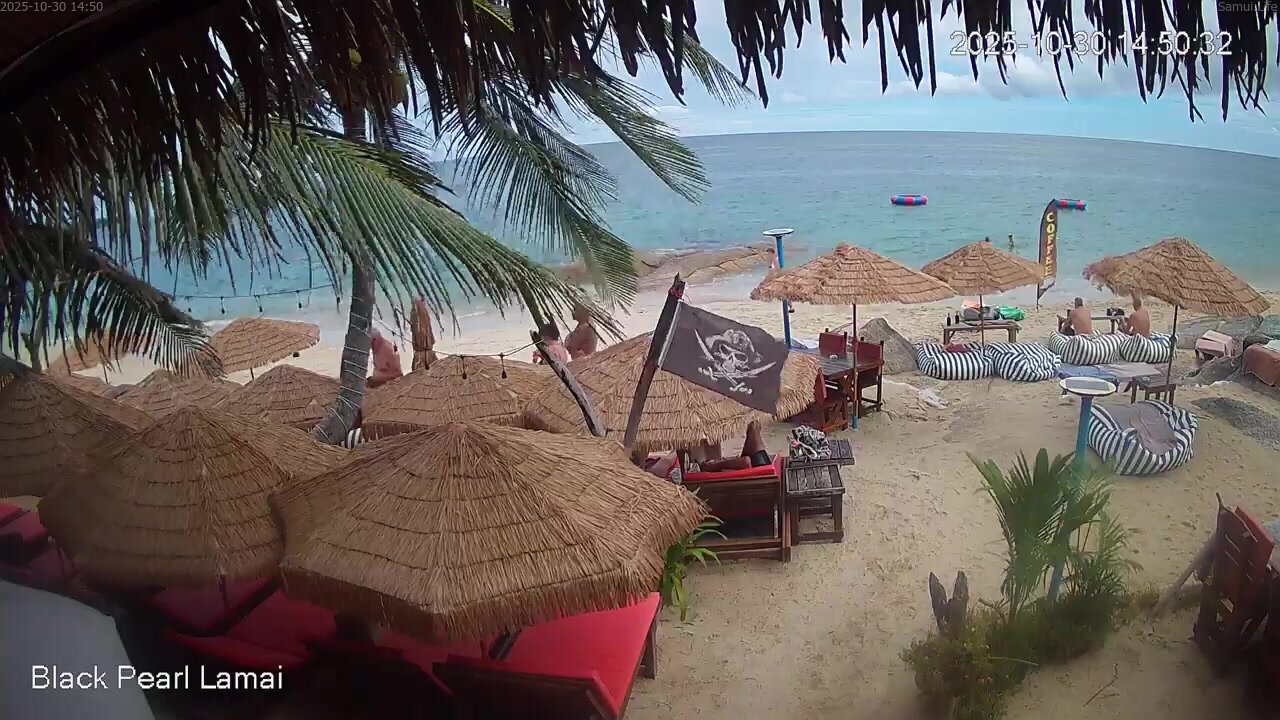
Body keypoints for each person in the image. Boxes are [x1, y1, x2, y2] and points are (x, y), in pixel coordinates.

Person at [696, 421, 771, 472]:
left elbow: (746, 461)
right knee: (754, 425)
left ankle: (714, 465)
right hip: (761, 459)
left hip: (759, 461)